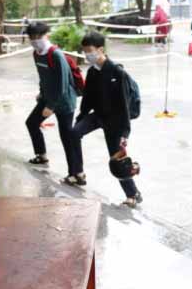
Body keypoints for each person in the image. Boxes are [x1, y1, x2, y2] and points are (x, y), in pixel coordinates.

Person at [72, 31, 143, 207]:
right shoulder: (93, 72)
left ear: (100, 49)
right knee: (74, 133)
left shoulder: (117, 72)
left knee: (116, 160)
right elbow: (88, 99)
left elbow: (124, 106)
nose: (87, 55)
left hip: (116, 121)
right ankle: (78, 173)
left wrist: (125, 133)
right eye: (85, 51)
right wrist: (80, 118)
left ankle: (133, 194)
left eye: (90, 51)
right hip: (98, 116)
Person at [24, 22, 79, 184]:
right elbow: (43, 76)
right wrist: (42, 93)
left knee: (66, 136)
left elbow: (62, 83)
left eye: (38, 37)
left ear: (46, 35)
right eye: (32, 38)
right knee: (32, 122)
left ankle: (75, 174)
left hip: (64, 101)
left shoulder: (55, 55)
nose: (35, 41)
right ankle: (41, 156)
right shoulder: (36, 53)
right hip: (48, 97)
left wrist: (51, 106)